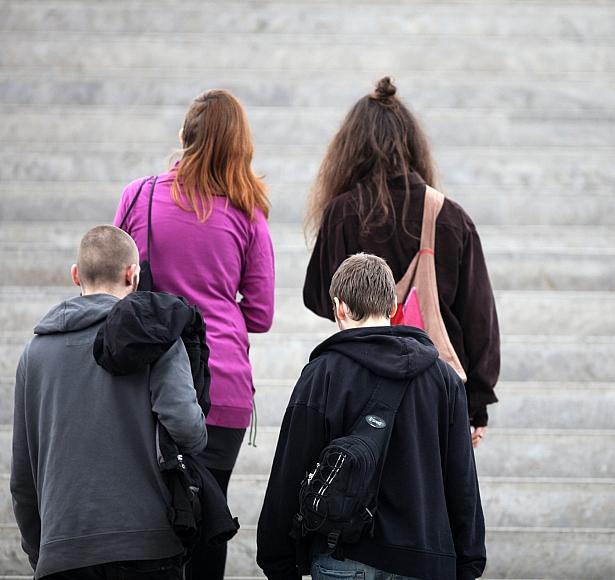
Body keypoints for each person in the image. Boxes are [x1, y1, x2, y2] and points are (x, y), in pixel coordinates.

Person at [114, 89, 275, 578]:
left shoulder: (138, 196)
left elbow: (115, 288)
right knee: (208, 516)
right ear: (240, 146)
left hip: (144, 381)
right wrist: (214, 307)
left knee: (149, 517)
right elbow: (261, 313)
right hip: (220, 387)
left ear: (184, 136)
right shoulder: (248, 212)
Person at [257, 253, 486, 580]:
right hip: (427, 558)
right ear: (393, 307)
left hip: (344, 554)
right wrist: (469, 561)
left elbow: (290, 468)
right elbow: (461, 477)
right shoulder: (444, 379)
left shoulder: (323, 374)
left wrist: (277, 561)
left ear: (339, 308)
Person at [302, 77, 499, 446]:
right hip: (436, 390)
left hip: (358, 384)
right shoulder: (450, 217)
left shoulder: (343, 213)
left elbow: (316, 296)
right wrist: (477, 403)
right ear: (413, 146)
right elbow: (479, 317)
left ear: (350, 150)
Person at [11, 225, 207, 579]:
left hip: (63, 548)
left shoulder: (33, 354)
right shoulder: (157, 338)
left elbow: (23, 475)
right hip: (148, 544)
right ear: (133, 275)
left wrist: (42, 553)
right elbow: (188, 430)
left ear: (75, 275)